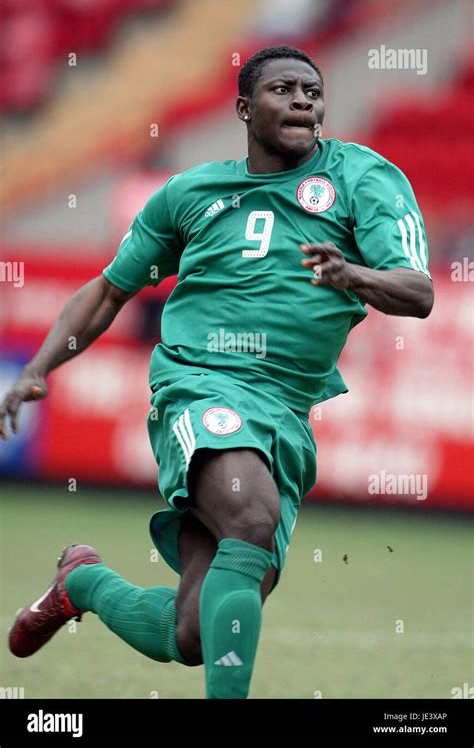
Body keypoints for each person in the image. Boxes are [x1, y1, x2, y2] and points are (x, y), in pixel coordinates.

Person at [0, 45, 434, 699]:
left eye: (312, 91)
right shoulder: (191, 194)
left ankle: (81, 583)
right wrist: (38, 367)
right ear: (242, 108)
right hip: (199, 381)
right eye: (283, 88)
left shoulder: (364, 178)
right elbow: (110, 291)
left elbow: (418, 291)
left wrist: (354, 274)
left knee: (194, 634)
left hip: (285, 410)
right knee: (251, 520)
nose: (302, 100)